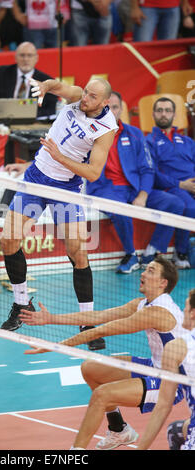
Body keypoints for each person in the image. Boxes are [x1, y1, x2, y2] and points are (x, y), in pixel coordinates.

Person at [0, 75, 118, 356]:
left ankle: (87, 323)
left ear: (103, 103)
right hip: (37, 178)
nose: (84, 99)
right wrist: (45, 86)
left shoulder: (106, 128)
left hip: (66, 188)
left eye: (91, 97)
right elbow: (58, 86)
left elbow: (93, 172)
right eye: (85, 93)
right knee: (8, 240)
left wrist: (59, 155)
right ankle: (21, 303)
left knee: (78, 253)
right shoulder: (78, 96)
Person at [19, 256, 187, 450]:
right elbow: (96, 316)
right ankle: (119, 430)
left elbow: (101, 330)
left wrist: (57, 345)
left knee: (102, 395)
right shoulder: (143, 303)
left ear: (162, 283)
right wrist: (51, 319)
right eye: (145, 269)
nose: (142, 273)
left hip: (173, 383)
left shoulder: (157, 313)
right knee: (90, 368)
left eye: (150, 271)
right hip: (155, 367)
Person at [86, 91, 186, 274]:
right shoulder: (87, 134)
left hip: (134, 188)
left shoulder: (134, 134)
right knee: (120, 209)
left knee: (176, 204)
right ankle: (131, 254)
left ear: (121, 109)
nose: (110, 111)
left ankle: (152, 251)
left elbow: (147, 169)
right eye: (106, 107)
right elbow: (61, 154)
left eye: (114, 107)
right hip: (105, 189)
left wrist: (143, 194)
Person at [137, 288, 195, 450]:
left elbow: (163, 406)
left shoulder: (177, 347)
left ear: (193, 313)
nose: (183, 311)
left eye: (186, 307)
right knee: (175, 430)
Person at [146, 96, 195, 270]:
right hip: (172, 188)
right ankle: (180, 252)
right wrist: (182, 185)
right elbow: (153, 174)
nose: (164, 114)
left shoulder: (188, 141)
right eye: (160, 111)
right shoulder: (149, 142)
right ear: (153, 114)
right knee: (190, 207)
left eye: (168, 111)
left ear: (174, 114)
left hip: (192, 186)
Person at [0, 41, 58, 120]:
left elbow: (51, 110)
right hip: (4, 124)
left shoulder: (46, 81)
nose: (25, 59)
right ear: (15, 58)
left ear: (36, 58)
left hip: (33, 125)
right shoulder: (3, 73)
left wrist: (30, 116)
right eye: (22, 55)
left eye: (29, 55)